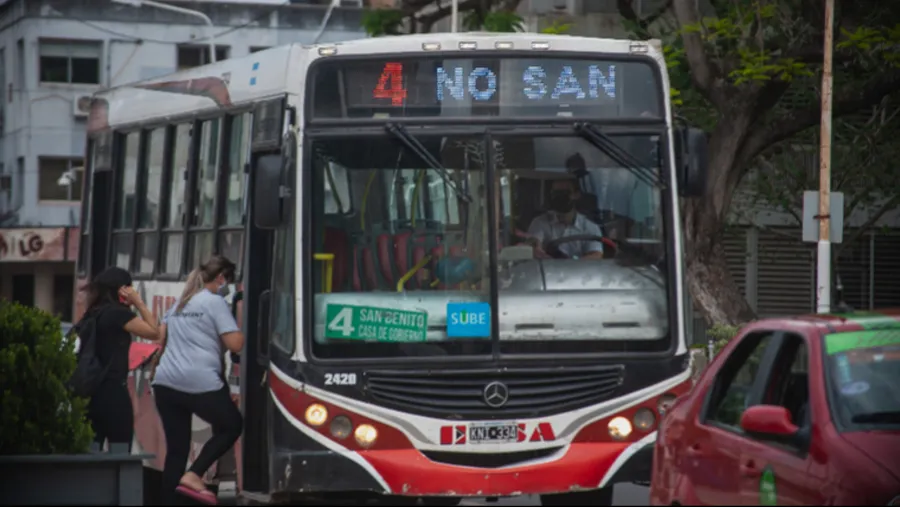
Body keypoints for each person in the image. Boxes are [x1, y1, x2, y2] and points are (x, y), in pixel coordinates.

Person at [152, 255, 244, 506]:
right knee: (231, 425)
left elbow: (161, 337)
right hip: (199, 382)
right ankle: (195, 473)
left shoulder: (180, 303)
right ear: (221, 278)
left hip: (165, 383)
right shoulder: (214, 301)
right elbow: (235, 344)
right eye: (230, 281)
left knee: (177, 451)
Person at [78, 266, 159, 451]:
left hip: (90, 391)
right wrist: (138, 302)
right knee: (120, 449)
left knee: (91, 450)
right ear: (122, 290)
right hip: (113, 391)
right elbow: (153, 332)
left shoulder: (92, 313)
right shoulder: (118, 314)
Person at [525, 174, 605, 260]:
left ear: (576, 194)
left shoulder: (590, 227)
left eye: (565, 193)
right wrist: (535, 248)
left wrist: (570, 264)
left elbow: (596, 255)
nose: (560, 197)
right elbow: (533, 243)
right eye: (556, 193)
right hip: (547, 267)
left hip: (578, 268)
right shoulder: (539, 222)